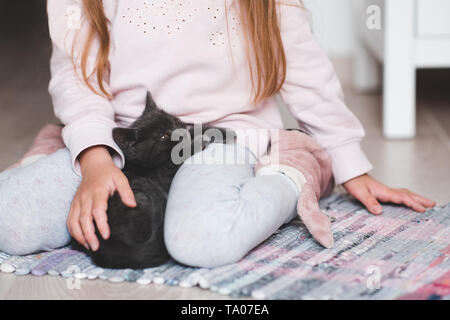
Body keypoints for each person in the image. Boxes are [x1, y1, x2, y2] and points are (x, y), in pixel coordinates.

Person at [0, 0, 434, 268]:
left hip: (221, 141)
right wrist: (94, 158)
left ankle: (291, 176)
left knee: (201, 241)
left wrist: (347, 160)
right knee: (10, 219)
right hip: (124, 139)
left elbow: (305, 71)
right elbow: (78, 77)